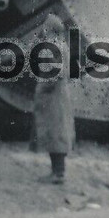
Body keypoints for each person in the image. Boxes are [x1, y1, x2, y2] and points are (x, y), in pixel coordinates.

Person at [33, 13, 75, 184]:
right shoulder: (63, 45)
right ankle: (58, 172)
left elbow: (54, 73)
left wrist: (41, 88)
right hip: (60, 94)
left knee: (55, 134)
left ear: (49, 29)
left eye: (45, 27)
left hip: (52, 95)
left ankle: (58, 174)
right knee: (58, 133)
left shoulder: (52, 47)